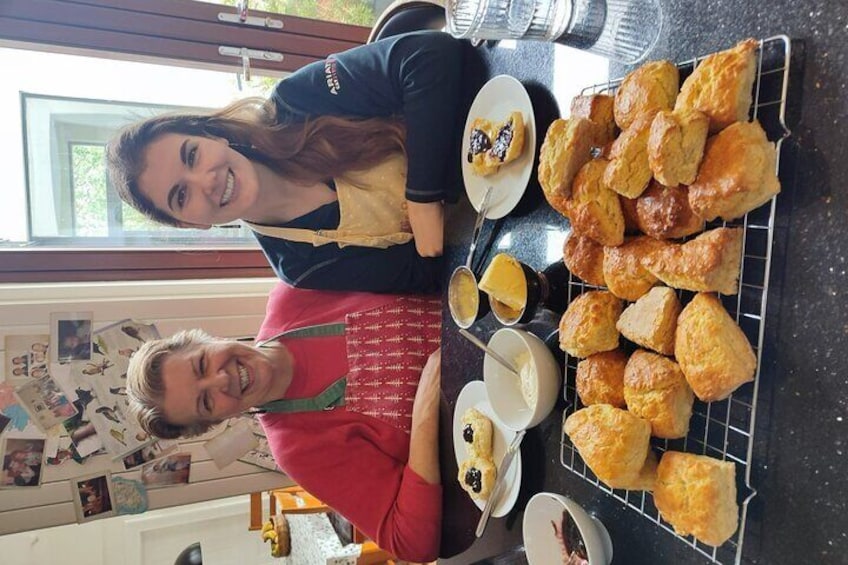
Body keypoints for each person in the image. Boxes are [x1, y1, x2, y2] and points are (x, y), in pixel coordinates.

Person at [107, 31, 467, 294]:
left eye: (192, 155)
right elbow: (427, 275)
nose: (207, 180)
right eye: (181, 196)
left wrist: (422, 197)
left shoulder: (296, 101)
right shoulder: (298, 265)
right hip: (494, 230)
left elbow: (429, 56)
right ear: (190, 224)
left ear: (211, 135)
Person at [126, 282, 443, 562]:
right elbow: (411, 541)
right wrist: (426, 413)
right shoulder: (297, 449)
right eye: (206, 402)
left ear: (205, 339)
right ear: (217, 420)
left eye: (202, 364)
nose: (222, 379)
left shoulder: (294, 293)